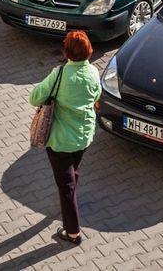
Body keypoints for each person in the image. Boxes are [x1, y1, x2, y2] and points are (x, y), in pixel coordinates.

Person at [30, 30, 101, 246]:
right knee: (74, 170)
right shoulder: (93, 72)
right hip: (84, 136)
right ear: (89, 51)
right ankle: (70, 195)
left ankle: (72, 232)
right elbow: (97, 95)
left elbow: (35, 98)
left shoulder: (59, 74)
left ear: (67, 51)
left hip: (61, 140)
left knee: (66, 186)